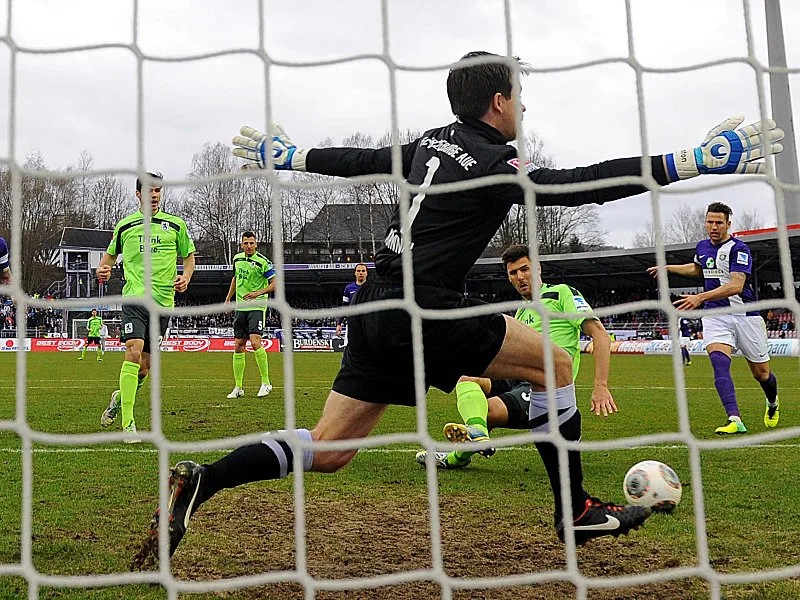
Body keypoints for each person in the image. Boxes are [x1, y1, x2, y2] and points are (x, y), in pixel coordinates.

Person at [135, 51, 784, 563]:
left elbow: (360, 161)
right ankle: (577, 511)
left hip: (375, 309)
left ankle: (205, 481)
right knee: (558, 365)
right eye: (519, 98)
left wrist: (290, 155)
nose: (523, 109)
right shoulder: (497, 159)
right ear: (499, 102)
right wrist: (691, 161)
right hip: (428, 308)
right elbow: (578, 185)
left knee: (331, 450)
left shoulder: (429, 143)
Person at [416, 244, 616, 470]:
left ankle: (455, 456)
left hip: (546, 384)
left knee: (487, 411)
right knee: (467, 379)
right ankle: (477, 434)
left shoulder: (561, 293)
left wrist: (600, 385)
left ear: (538, 269)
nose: (520, 277)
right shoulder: (521, 311)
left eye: (525, 269)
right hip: (519, 375)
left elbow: (599, 334)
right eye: (513, 273)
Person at [648, 202, 779, 434]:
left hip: (745, 316)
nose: (714, 226)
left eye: (719, 222)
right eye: (710, 222)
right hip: (715, 315)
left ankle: (772, 402)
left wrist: (699, 298)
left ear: (729, 224)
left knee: (762, 374)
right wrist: (669, 267)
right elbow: (698, 269)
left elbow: (737, 285)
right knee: (719, 363)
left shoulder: (739, 249)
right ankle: (734, 419)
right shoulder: (702, 247)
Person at [97, 172, 196, 442]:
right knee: (133, 352)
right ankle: (128, 424)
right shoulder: (125, 226)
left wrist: (185, 277)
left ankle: (119, 399)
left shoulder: (175, 225)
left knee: (144, 368)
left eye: (158, 191)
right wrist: (103, 269)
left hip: (163, 304)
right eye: (149, 191)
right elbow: (108, 257)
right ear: (138, 194)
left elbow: (189, 258)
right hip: (134, 300)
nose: (154, 195)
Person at [224, 231, 276, 399]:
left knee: (255, 343)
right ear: (241, 244)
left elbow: (275, 284)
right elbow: (235, 278)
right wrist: (228, 298)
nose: (248, 246)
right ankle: (238, 387)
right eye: (245, 243)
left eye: (251, 243)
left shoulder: (263, 263)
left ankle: (266, 383)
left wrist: (257, 293)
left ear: (256, 244)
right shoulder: (237, 259)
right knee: (238, 344)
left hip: (257, 306)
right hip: (240, 308)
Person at [335, 262, 368, 346]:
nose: (361, 273)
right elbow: (345, 307)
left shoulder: (372, 287)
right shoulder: (349, 288)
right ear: (355, 273)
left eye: (363, 271)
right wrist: (339, 324)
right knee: (349, 348)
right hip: (353, 324)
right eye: (359, 271)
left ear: (366, 273)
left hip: (368, 324)